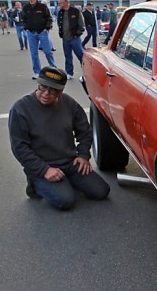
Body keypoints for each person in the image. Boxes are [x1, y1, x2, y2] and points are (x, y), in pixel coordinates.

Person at [8, 66, 110, 210]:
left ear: (61, 91)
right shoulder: (20, 109)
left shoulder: (69, 103)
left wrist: (83, 155)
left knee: (101, 191)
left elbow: (85, 131)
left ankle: (67, 181)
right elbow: (19, 147)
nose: (46, 93)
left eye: (53, 90)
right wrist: (44, 170)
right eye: (42, 87)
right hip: (43, 165)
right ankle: (35, 184)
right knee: (66, 201)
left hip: (69, 161)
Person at [22, 0, 56, 79]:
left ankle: (53, 68)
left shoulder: (42, 7)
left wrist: (46, 28)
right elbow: (23, 19)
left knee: (48, 51)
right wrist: (26, 28)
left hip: (42, 32)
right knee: (34, 54)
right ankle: (37, 72)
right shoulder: (26, 8)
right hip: (31, 33)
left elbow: (49, 18)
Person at [56, 0, 85, 80]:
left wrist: (78, 33)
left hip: (75, 38)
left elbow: (81, 23)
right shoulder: (60, 12)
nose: (59, 4)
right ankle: (69, 73)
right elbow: (59, 23)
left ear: (65, 2)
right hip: (65, 38)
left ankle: (86, 71)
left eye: (60, 3)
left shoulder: (75, 11)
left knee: (80, 55)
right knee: (67, 55)